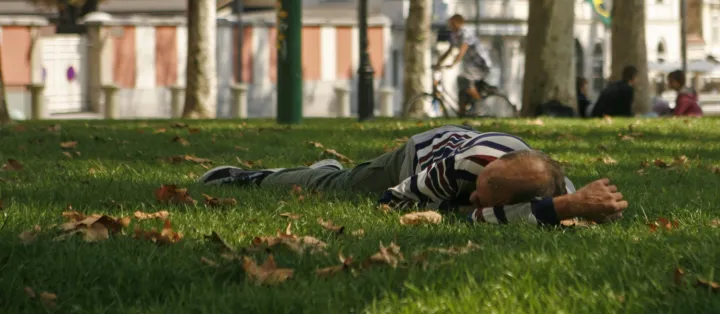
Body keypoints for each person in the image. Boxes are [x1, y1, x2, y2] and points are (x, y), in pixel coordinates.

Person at [198, 125, 628, 226]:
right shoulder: (461, 169)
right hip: (420, 156)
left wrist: (570, 205)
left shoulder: (554, 182)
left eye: (489, 198)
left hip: (464, 155)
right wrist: (458, 209)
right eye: (481, 191)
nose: (477, 199)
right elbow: (393, 202)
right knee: (337, 186)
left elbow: (519, 216)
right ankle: (243, 177)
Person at [435, 14, 492, 115]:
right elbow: (449, 50)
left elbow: (462, 51)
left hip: (481, 65)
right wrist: (438, 63)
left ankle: (480, 102)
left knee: (463, 78)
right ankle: (462, 112)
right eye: (450, 24)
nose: (451, 26)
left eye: (452, 24)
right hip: (471, 67)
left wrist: (453, 64)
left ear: (459, 23)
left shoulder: (466, 33)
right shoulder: (454, 35)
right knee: (461, 86)